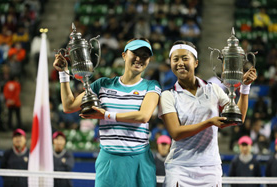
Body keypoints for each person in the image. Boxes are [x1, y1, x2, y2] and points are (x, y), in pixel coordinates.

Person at [53, 38, 161, 187]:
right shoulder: (102, 84)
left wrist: (105, 115)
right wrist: (63, 74)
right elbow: (69, 106)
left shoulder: (151, 86)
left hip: (140, 161)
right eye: (135, 53)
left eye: (144, 56)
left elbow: (143, 116)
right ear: (124, 55)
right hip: (109, 160)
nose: (139, 59)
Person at [158, 40, 257, 186]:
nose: (180, 63)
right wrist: (209, 122)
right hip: (180, 167)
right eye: (175, 59)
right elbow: (176, 133)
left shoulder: (213, 89)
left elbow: (238, 118)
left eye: (185, 58)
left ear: (196, 62)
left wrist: (245, 89)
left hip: (210, 167)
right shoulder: (168, 95)